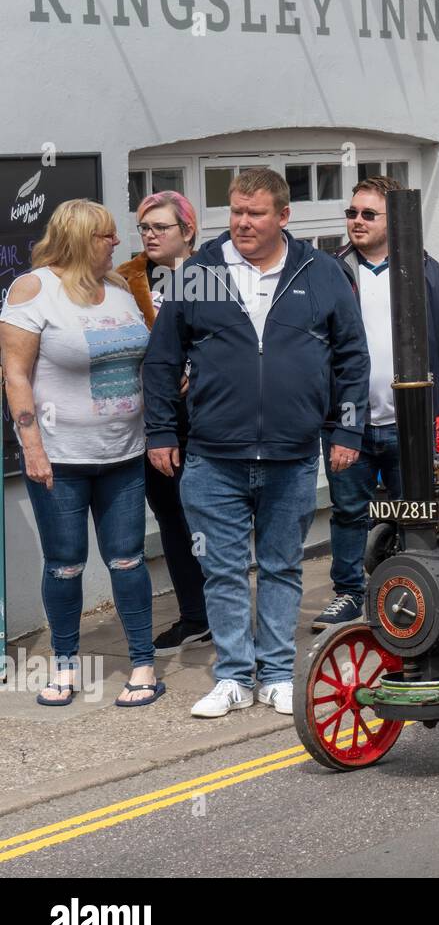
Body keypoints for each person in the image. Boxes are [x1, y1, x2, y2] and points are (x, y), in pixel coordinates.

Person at [144, 168, 370, 718]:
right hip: (212, 455)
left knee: (280, 567)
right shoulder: (196, 273)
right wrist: (159, 431)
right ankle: (232, 677)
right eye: (236, 213)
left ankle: (273, 674)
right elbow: (162, 358)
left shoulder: (321, 272)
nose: (243, 223)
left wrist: (347, 428)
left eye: (255, 213)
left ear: (283, 216)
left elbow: (351, 357)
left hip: (292, 455)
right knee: (221, 570)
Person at [0, 199, 160, 707]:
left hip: (123, 453)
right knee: (65, 563)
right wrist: (32, 448)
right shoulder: (34, 290)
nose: (117, 242)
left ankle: (143, 665)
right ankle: (66, 666)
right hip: (61, 458)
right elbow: (16, 374)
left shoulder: (118, 289)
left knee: (129, 560)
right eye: (107, 235)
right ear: (80, 239)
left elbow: (144, 360)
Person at [313, 175, 439, 630]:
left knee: (416, 508)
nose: (356, 221)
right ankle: (348, 593)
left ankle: (416, 590)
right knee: (348, 512)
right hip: (349, 423)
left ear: (395, 219)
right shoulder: (331, 273)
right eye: (351, 213)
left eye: (368, 214)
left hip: (412, 422)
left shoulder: (428, 274)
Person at [117, 192, 212, 656]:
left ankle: (224, 610)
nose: (150, 236)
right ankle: (195, 616)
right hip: (155, 417)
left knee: (213, 515)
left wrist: (194, 372)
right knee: (172, 515)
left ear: (187, 230)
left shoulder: (215, 276)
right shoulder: (126, 282)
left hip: (210, 415)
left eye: (161, 228)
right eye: (144, 228)